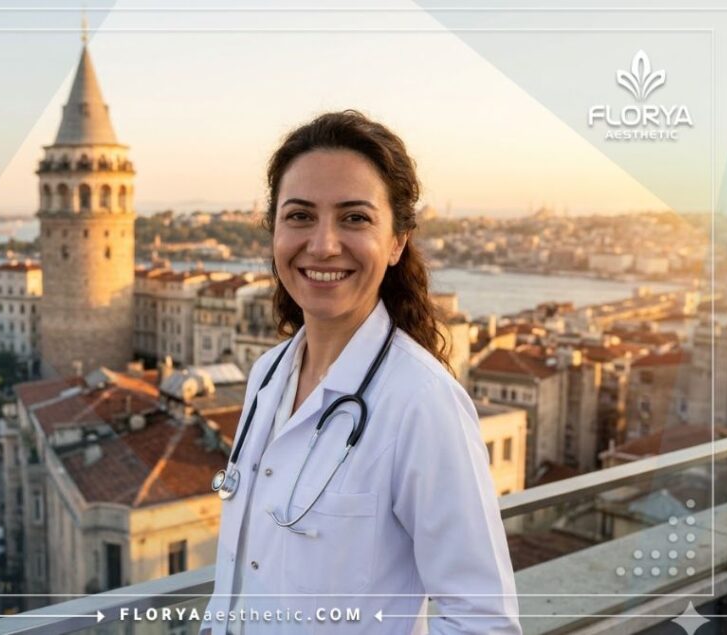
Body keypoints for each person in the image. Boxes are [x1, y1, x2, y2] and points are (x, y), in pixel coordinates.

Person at [200, 111, 520, 634]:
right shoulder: (266, 375)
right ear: (273, 231)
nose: (323, 244)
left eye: (354, 218)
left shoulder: (422, 402)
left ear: (396, 242)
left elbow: (483, 621)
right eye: (300, 216)